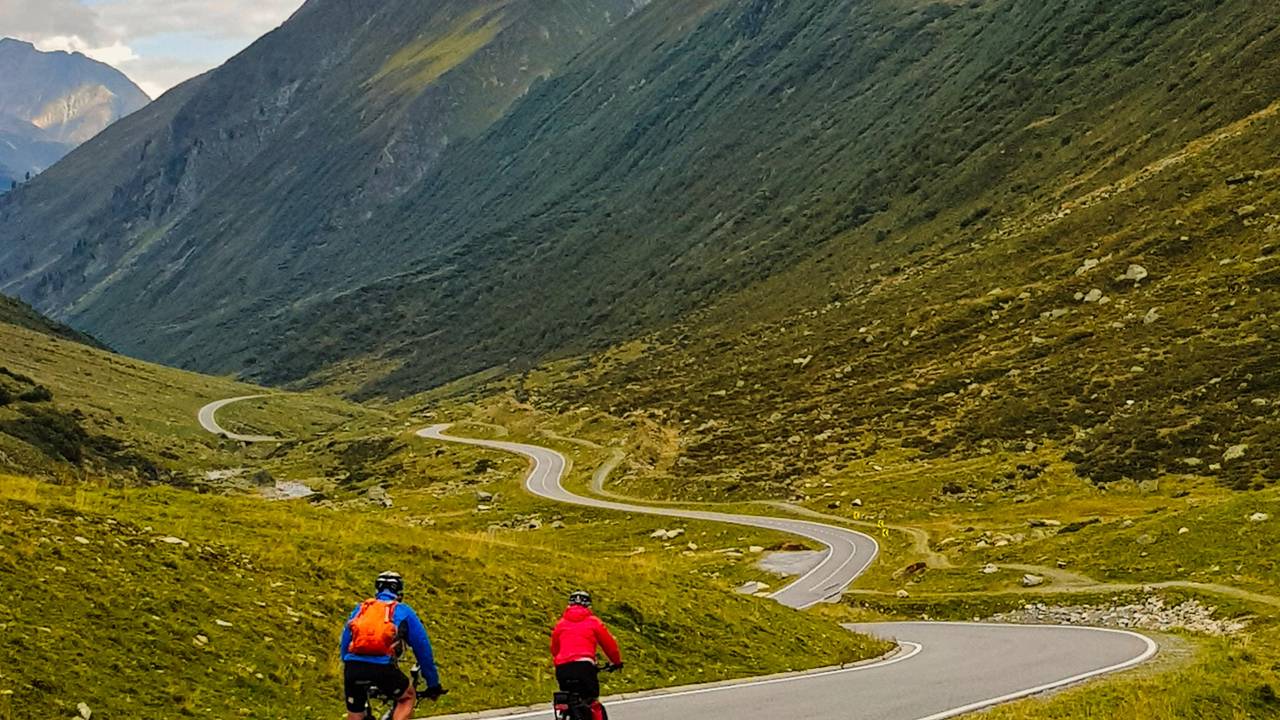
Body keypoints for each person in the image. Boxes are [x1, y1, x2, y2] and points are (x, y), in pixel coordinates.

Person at [340, 571, 445, 720]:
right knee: (407, 697)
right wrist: (433, 684)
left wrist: (350, 667)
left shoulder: (361, 609)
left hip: (353, 667)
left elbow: (345, 643)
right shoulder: (403, 611)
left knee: (355, 711)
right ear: (400, 592)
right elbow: (423, 651)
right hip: (383, 668)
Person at [550, 591, 623, 720]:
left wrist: (560, 660)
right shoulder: (593, 622)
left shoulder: (560, 624)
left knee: (567, 699)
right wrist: (616, 662)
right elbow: (609, 645)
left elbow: (554, 649)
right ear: (588, 606)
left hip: (562, 669)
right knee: (592, 701)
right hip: (584, 667)